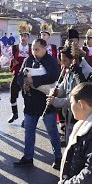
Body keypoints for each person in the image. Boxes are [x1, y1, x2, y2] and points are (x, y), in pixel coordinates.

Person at [13, 38, 62, 169]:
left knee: (52, 131)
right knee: (29, 130)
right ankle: (28, 157)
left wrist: (33, 80)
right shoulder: (28, 59)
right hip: (31, 102)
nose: (34, 51)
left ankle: (58, 158)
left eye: (37, 49)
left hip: (47, 101)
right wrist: (24, 82)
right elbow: (19, 76)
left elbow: (53, 77)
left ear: (45, 48)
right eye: (32, 49)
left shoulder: (51, 61)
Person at [47, 42, 92, 146]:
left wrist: (56, 102)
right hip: (69, 114)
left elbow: (76, 98)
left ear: (74, 59)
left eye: (65, 60)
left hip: (79, 115)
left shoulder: (85, 71)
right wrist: (56, 92)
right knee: (69, 143)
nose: (62, 64)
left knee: (76, 146)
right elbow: (63, 88)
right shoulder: (69, 69)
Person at [7, 22, 32, 124]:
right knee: (12, 95)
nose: (23, 38)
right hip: (17, 75)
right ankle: (14, 113)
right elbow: (6, 56)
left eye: (25, 36)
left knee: (27, 97)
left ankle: (26, 118)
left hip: (28, 77)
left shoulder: (32, 48)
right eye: (22, 36)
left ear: (28, 37)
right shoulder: (14, 48)